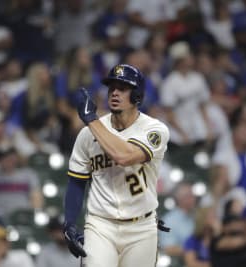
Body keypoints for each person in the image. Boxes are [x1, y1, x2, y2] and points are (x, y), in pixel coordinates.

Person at [63, 63, 170, 267]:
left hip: (142, 227)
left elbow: (124, 156)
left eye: (122, 88)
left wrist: (91, 120)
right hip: (100, 225)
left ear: (137, 95)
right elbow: (77, 181)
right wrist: (69, 222)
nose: (114, 93)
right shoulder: (88, 134)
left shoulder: (154, 129)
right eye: (111, 87)